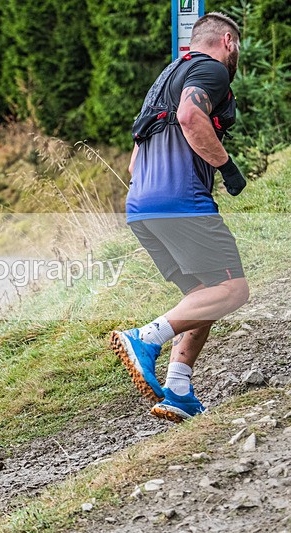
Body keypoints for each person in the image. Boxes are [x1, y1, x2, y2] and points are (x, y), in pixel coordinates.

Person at [110, 13, 249, 423]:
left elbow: (135, 159)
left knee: (204, 294)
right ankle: (144, 339)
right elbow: (191, 117)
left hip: (141, 205)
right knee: (234, 290)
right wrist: (227, 168)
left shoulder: (165, 78)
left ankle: (179, 390)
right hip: (180, 199)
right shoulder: (211, 68)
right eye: (236, 47)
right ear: (227, 41)